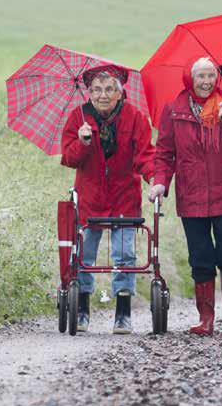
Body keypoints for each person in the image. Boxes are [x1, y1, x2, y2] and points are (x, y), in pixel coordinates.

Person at [148, 57, 222, 335]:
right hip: (191, 195)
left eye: (210, 76)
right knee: (201, 257)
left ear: (216, 78)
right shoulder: (174, 110)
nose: (206, 82)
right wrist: (160, 183)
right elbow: (164, 153)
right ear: (190, 79)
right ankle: (206, 317)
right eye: (200, 77)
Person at [61, 64, 154, 334]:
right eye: (97, 89)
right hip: (90, 198)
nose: (103, 95)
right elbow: (68, 158)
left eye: (109, 89)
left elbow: (146, 156)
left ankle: (122, 314)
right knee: (84, 255)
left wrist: (154, 181)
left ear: (120, 93)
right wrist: (82, 143)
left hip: (124, 196)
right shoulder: (77, 118)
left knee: (124, 254)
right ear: (88, 92)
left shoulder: (135, 117)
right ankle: (82, 311)